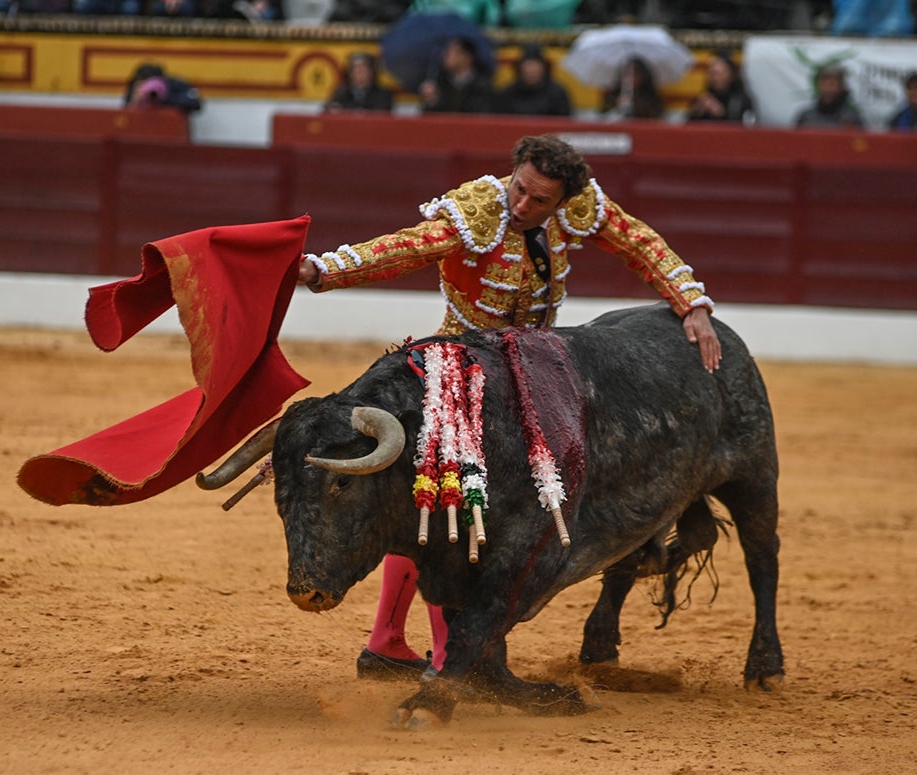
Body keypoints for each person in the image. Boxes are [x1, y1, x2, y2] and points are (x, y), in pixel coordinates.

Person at [294, 134, 720, 679]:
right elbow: (406, 247)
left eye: (538, 201)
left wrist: (692, 304)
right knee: (444, 505)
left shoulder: (581, 207)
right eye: (519, 189)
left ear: (563, 200)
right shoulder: (477, 210)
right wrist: (322, 270)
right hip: (459, 368)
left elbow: (640, 242)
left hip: (532, 372)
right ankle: (427, 652)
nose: (521, 205)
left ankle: (397, 644)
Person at [419, 37, 493, 114]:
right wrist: (431, 102)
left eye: (451, 51)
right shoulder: (440, 82)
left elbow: (478, 114)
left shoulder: (481, 85)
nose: (445, 55)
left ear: (466, 57)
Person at [496, 44, 571, 117]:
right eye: (527, 65)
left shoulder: (557, 93)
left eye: (534, 65)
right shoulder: (508, 93)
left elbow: (564, 122)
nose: (530, 70)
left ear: (543, 68)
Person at [686, 53, 754, 124]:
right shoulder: (704, 98)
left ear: (731, 75)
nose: (715, 78)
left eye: (718, 73)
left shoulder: (741, 101)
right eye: (712, 73)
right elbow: (687, 128)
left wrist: (721, 114)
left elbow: (747, 128)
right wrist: (696, 113)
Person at [794, 62, 864, 128]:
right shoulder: (806, 116)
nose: (827, 89)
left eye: (832, 84)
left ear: (841, 87)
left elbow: (862, 139)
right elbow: (794, 139)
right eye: (824, 84)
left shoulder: (852, 117)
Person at [324, 52, 393, 113]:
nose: (359, 72)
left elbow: (380, 113)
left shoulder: (383, 95)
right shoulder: (341, 92)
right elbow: (329, 110)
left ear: (371, 72)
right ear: (350, 73)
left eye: (363, 68)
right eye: (356, 68)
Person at [122, 63, 202, 114]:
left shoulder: (173, 85)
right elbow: (125, 114)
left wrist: (164, 98)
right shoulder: (135, 87)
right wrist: (134, 102)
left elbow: (195, 102)